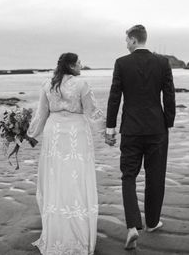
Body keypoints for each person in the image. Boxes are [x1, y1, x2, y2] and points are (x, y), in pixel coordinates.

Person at [105, 25, 176, 250]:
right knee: (156, 176)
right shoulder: (162, 63)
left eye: (127, 40)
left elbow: (115, 96)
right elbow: (169, 94)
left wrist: (110, 127)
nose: (125, 44)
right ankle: (152, 222)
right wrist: (168, 122)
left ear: (134, 40)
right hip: (157, 128)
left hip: (132, 129)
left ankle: (133, 226)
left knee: (128, 176)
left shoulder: (121, 63)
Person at [27, 52, 103, 255]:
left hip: (54, 133)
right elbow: (92, 111)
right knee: (76, 176)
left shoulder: (47, 84)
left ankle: (58, 229)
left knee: (57, 176)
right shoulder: (82, 85)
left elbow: (41, 113)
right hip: (76, 133)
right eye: (78, 63)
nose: (81, 65)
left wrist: (31, 134)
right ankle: (78, 227)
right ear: (71, 65)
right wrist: (107, 132)